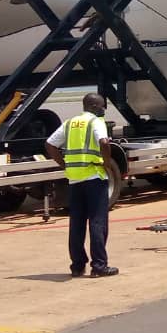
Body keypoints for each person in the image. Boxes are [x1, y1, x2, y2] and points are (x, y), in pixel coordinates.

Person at [45, 94, 119, 278]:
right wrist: (107, 163)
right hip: (94, 177)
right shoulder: (96, 121)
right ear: (93, 106)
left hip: (75, 179)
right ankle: (99, 266)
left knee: (76, 224)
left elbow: (50, 144)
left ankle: (77, 266)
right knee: (97, 222)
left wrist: (64, 164)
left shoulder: (70, 123)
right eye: (102, 106)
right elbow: (104, 142)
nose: (104, 109)